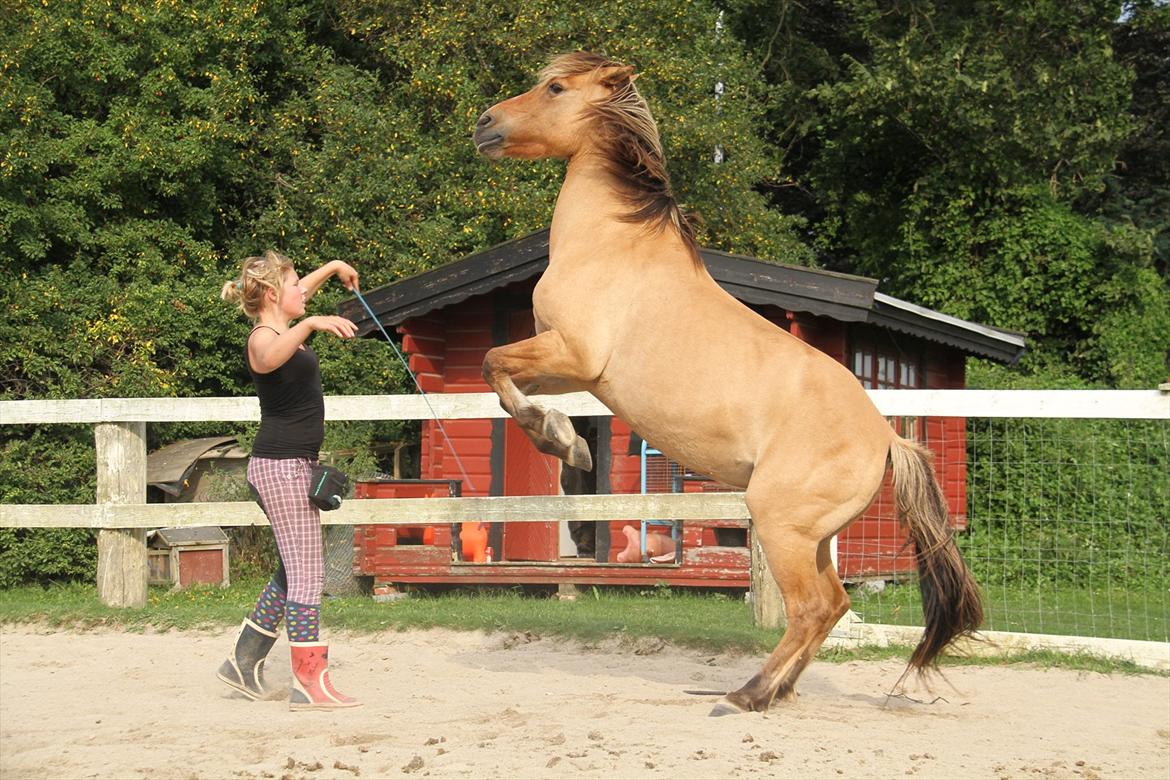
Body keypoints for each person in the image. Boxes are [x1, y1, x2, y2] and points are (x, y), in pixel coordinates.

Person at [217, 251, 361, 711]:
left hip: (291, 465)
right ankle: (308, 681)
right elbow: (270, 356)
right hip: (280, 468)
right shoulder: (263, 337)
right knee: (307, 574)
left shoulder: (283, 321)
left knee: (291, 569)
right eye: (295, 284)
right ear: (275, 295)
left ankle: (243, 661)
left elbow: (301, 298)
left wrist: (336, 266)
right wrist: (313, 323)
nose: (304, 290)